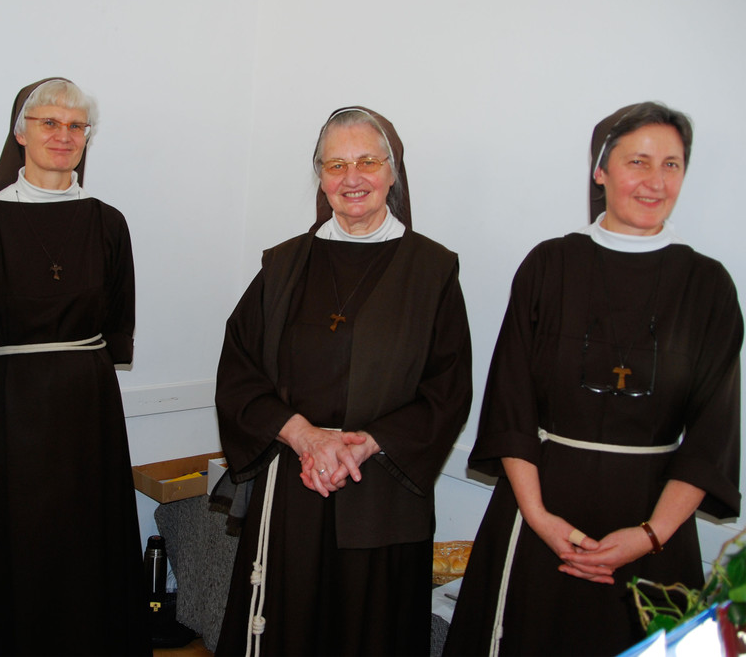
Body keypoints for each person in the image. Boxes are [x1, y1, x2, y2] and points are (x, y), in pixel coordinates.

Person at [443, 102, 743, 656]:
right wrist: (539, 519)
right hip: (539, 515)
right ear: (601, 171)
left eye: (672, 165)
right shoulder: (549, 266)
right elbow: (511, 405)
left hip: (654, 531)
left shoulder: (708, 287)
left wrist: (650, 535)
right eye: (638, 162)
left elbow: (712, 437)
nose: (656, 182)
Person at [214, 106, 473, 656]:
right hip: (294, 481)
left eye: (367, 162)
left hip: (382, 486)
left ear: (392, 171)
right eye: (335, 165)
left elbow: (447, 390)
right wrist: (305, 436)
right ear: (320, 177)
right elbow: (239, 370)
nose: (351, 178)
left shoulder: (432, 270)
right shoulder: (284, 264)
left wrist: (367, 443)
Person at [0, 78, 147, 656]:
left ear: (87, 137)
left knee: (87, 536)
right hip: (6, 401)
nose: (63, 136)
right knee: (16, 537)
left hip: (87, 402)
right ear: (20, 133)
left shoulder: (108, 222)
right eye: (49, 123)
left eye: (76, 126)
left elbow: (118, 316)